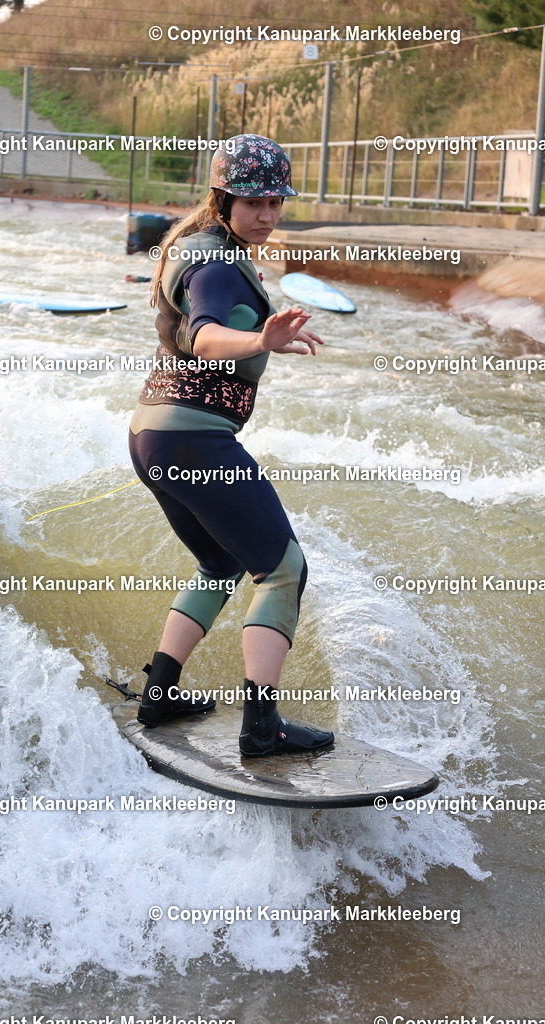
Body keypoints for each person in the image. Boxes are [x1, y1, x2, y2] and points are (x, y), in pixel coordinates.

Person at [128, 133, 334, 757]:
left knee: (220, 564)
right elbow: (206, 336)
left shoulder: (200, 247)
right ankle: (262, 727)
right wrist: (260, 343)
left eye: (276, 202)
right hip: (192, 442)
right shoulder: (216, 265)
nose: (268, 215)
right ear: (222, 198)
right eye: (254, 202)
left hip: (151, 436)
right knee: (282, 571)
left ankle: (160, 693)